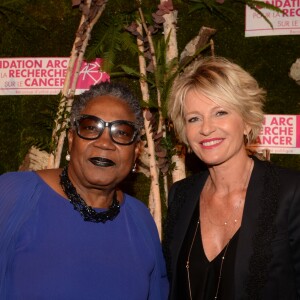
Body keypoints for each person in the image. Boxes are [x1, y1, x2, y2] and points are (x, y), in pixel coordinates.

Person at [0, 81, 169, 299]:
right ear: (72, 138)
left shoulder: (141, 219)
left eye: (121, 132)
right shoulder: (15, 195)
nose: (105, 143)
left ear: (136, 150)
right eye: (91, 127)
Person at [163, 56, 300, 299]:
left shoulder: (290, 193)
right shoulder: (180, 195)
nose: (206, 128)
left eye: (220, 112)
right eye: (194, 118)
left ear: (247, 121)